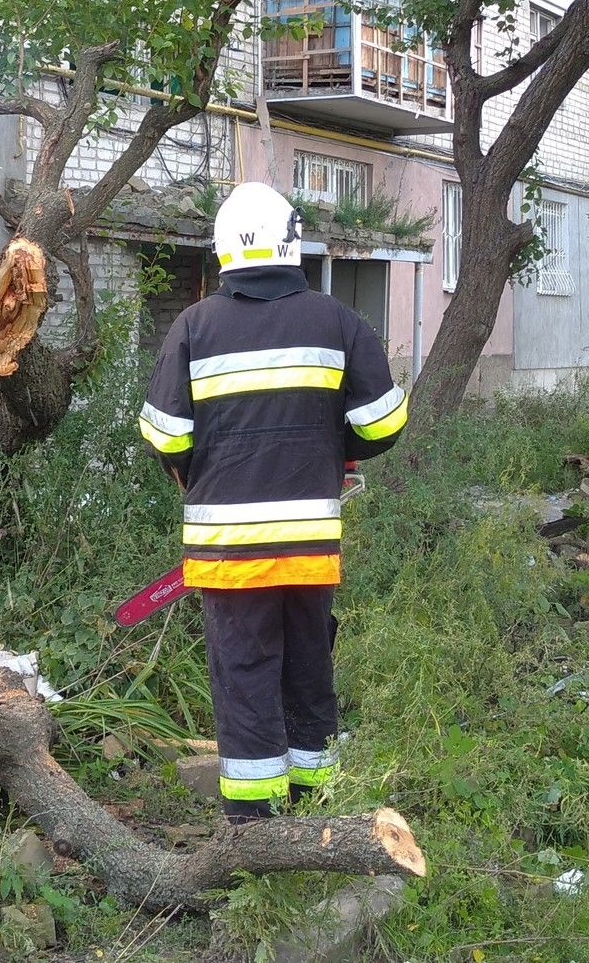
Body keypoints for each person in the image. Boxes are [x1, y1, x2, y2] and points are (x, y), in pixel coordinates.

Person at [137, 181, 408, 823]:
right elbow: (385, 422)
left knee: (245, 674)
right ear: (293, 244)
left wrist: (194, 468)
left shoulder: (194, 326)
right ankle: (316, 808)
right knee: (309, 666)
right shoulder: (336, 320)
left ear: (224, 251)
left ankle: (255, 827)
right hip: (309, 543)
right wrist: (332, 449)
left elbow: (164, 434)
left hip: (229, 549)